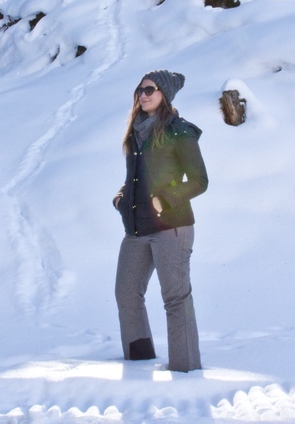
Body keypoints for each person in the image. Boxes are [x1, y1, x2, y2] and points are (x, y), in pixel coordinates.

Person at [113, 69, 208, 372]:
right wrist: (122, 198)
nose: (143, 95)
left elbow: (199, 181)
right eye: (140, 90)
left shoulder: (180, 131)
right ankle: (138, 362)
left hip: (172, 228)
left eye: (150, 89)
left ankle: (185, 368)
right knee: (126, 292)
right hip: (136, 229)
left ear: (164, 93)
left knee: (175, 298)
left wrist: (164, 198)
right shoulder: (136, 132)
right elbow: (136, 179)